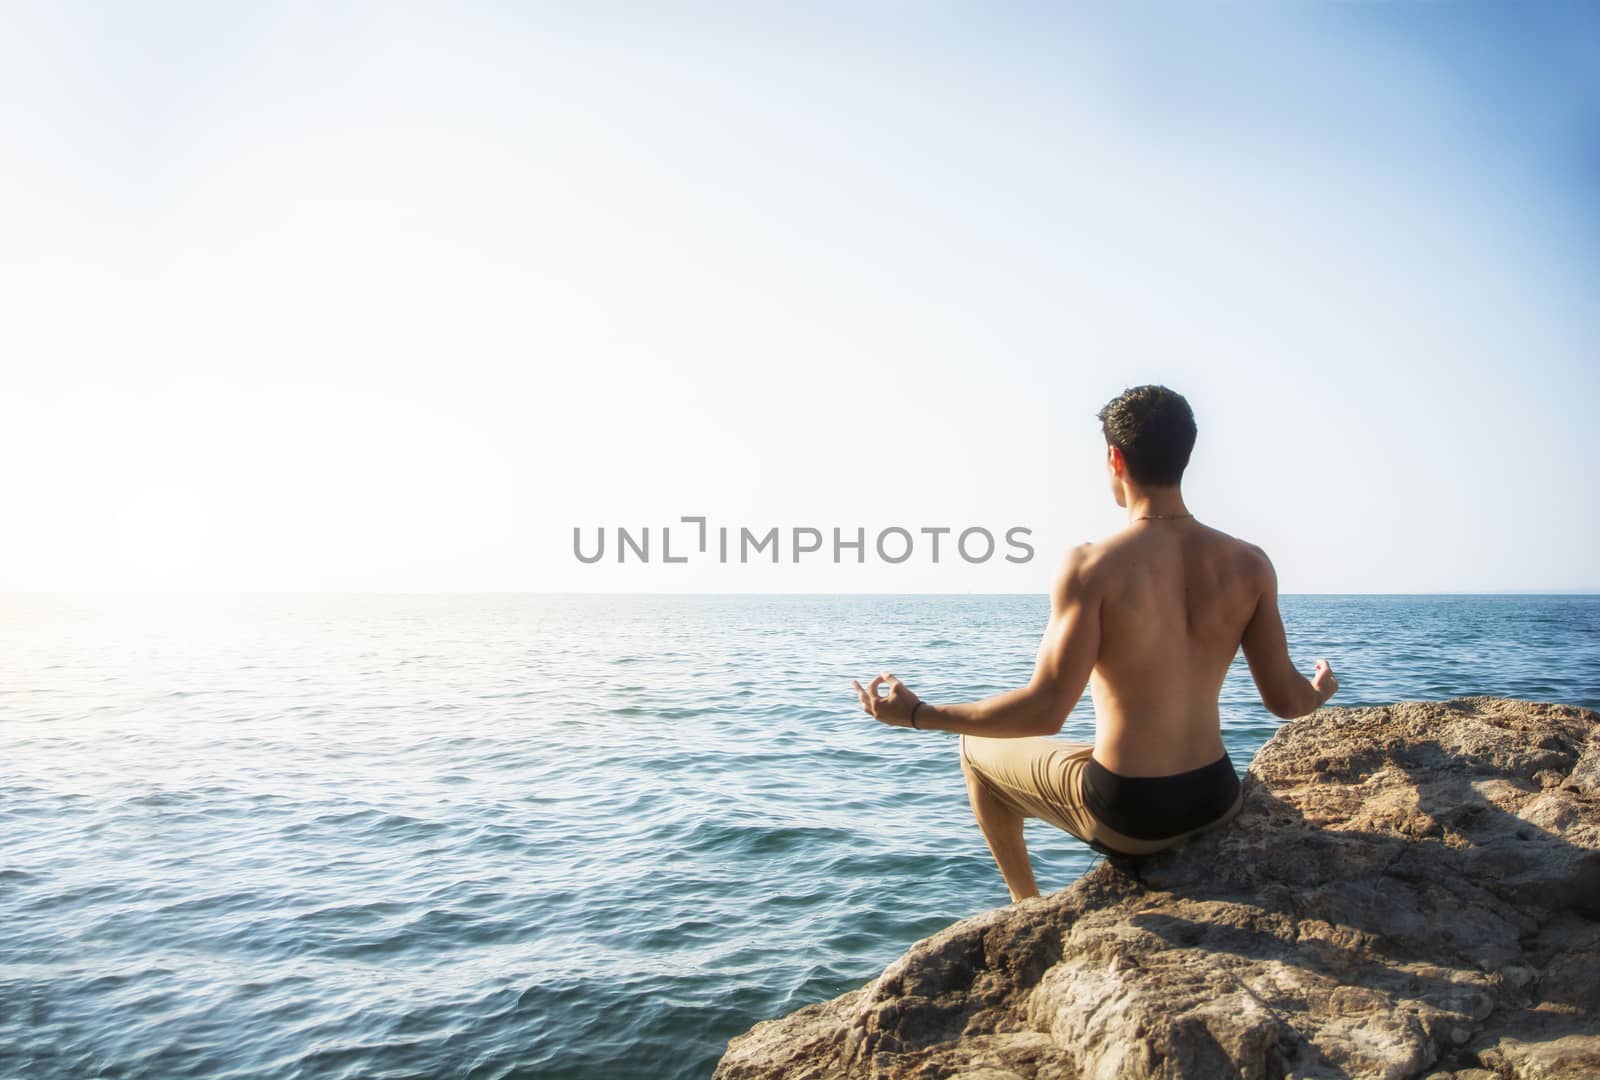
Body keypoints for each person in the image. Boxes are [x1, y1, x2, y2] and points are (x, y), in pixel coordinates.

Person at [852, 384, 1338, 903]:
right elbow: (1287, 703)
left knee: (976, 750)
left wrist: (918, 714)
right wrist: (1320, 691)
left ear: (1115, 457)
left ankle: (1025, 905)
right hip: (1216, 798)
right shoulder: (1250, 563)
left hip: (1131, 815)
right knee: (1079, 752)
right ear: (1185, 456)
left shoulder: (1091, 567)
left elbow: (1044, 711)